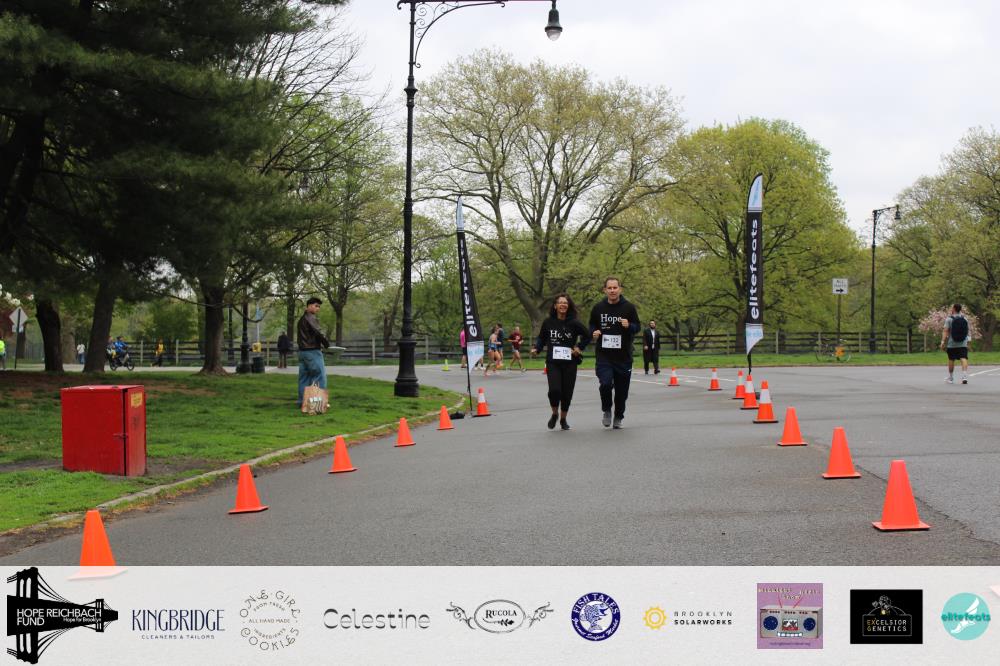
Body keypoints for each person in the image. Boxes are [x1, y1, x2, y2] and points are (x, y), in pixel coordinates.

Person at [589, 276, 640, 429]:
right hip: (604, 356)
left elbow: (637, 327)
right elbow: (592, 325)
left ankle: (618, 416)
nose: (612, 290)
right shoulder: (598, 308)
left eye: (615, 288)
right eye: (609, 288)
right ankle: (607, 410)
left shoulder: (629, 307)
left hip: (623, 357)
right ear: (604, 290)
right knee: (605, 384)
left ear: (620, 289)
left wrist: (629, 325)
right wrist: (594, 332)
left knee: (621, 391)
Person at [532, 295, 588, 430]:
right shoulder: (548, 322)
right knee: (554, 390)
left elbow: (587, 335)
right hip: (553, 362)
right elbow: (542, 338)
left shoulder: (574, 323)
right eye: (560, 303)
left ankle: (563, 419)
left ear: (568, 306)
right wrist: (537, 349)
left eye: (565, 303)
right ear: (555, 306)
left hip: (570, 363)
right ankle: (554, 414)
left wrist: (579, 348)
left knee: (567, 392)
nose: (563, 305)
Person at [297, 297, 330, 406]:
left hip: (302, 352)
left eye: (319, 307)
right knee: (319, 376)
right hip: (312, 351)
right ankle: (317, 404)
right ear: (309, 305)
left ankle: (303, 402)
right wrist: (326, 344)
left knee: (304, 378)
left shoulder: (301, 319)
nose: (318, 308)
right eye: (316, 306)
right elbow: (319, 332)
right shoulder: (310, 318)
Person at [941, 303, 971, 384]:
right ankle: (964, 377)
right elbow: (968, 331)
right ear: (960, 309)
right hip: (963, 343)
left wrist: (943, 342)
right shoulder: (965, 319)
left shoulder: (949, 319)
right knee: (963, 358)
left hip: (952, 344)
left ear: (954, 309)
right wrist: (968, 341)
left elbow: (945, 331)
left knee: (951, 359)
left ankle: (951, 378)